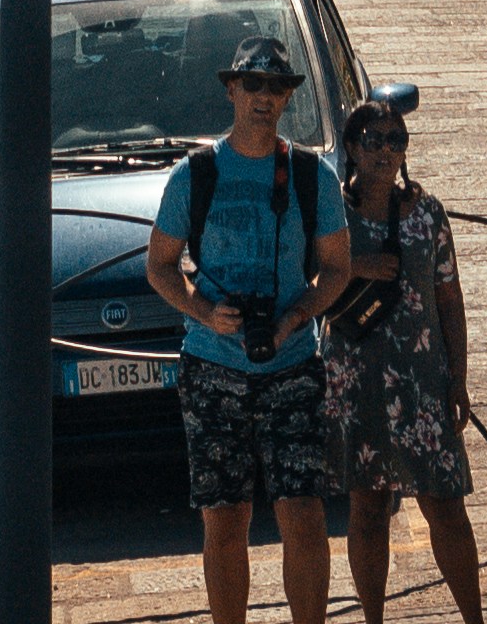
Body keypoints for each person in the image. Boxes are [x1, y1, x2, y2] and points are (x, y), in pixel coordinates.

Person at [150, 36, 343, 624]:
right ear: (232, 90)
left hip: (291, 364)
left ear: (287, 99)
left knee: (304, 519)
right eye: (253, 85)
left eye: (277, 87)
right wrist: (204, 312)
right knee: (225, 522)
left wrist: (296, 316)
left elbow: (336, 268)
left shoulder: (313, 176)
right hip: (213, 367)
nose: (264, 97)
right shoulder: (196, 174)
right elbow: (160, 264)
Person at [322, 98, 487, 624]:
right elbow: (306, 289)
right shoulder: (330, 213)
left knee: (445, 506)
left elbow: (450, 300)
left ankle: (474, 619)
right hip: (355, 381)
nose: (387, 151)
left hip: (420, 381)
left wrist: (458, 380)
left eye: (397, 142)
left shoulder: (425, 213)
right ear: (352, 146)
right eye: (375, 140)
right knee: (367, 510)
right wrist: (356, 265)